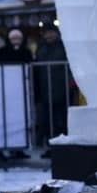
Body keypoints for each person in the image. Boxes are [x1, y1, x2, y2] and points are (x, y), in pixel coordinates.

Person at [0, 28, 33, 158]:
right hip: (7, 91)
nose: (16, 41)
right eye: (13, 38)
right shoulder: (1, 53)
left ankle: (19, 149)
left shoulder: (26, 52)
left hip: (23, 91)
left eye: (18, 38)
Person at [34, 24, 70, 156]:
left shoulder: (63, 46)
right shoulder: (41, 48)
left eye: (51, 32)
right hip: (46, 91)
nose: (48, 35)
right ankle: (51, 148)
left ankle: (64, 149)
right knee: (48, 122)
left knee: (62, 120)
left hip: (63, 90)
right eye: (46, 33)